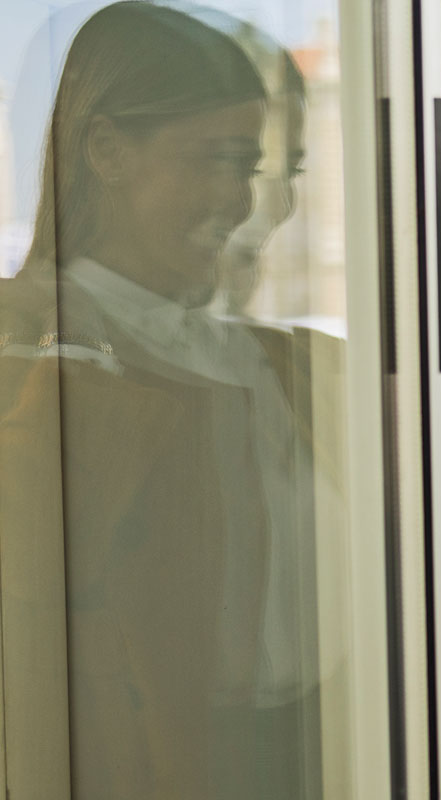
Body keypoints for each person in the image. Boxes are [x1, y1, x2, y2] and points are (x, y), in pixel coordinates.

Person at [0, 4, 318, 795]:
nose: (243, 200)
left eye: (252, 169)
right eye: (215, 159)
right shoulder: (34, 362)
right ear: (106, 150)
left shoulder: (260, 360)